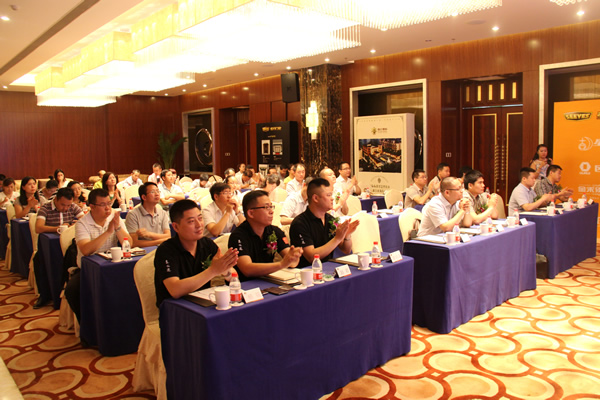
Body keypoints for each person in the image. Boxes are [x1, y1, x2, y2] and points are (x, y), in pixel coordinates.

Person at [154, 199, 239, 307]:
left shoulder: (206, 244)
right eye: (191, 221)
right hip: (175, 309)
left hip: (203, 304)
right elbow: (175, 290)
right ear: (176, 227)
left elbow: (232, 276)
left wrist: (225, 270)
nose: (199, 225)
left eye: (200, 218)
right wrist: (213, 270)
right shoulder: (166, 250)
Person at [66, 188, 132, 321]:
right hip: (88, 270)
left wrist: (117, 227)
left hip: (112, 266)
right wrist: (108, 232)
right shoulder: (82, 224)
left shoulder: (114, 217)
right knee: (72, 290)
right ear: (92, 206)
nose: (108, 208)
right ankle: (88, 325)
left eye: (109, 203)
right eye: (103, 205)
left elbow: (129, 243)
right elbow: (86, 250)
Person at [228, 190, 303, 282]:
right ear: (251, 213)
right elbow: (247, 269)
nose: (271, 211)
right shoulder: (238, 236)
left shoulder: (274, 231)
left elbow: (292, 262)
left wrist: (294, 256)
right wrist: (281, 264)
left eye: (271, 207)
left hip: (269, 280)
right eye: (266, 207)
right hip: (245, 285)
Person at [290, 178, 359, 268]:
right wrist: (337, 239)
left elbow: (346, 250)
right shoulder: (300, 223)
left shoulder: (330, 219)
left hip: (328, 268)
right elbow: (311, 257)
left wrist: (346, 235)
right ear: (315, 198)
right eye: (328, 195)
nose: (332, 198)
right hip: (307, 272)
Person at [33, 188, 84, 308]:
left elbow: (84, 219)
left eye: (68, 205)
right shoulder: (45, 208)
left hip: (70, 247)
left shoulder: (73, 207)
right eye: (63, 205)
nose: (66, 208)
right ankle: (44, 295)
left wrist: (74, 225)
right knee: (39, 261)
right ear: (56, 199)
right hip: (50, 244)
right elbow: (38, 228)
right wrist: (58, 228)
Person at [125, 182, 171, 247]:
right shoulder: (133, 215)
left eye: (158, 191)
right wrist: (161, 241)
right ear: (144, 197)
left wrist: (149, 234)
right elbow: (134, 243)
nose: (157, 194)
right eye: (152, 192)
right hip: (143, 251)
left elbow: (168, 236)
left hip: (161, 248)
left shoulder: (162, 213)